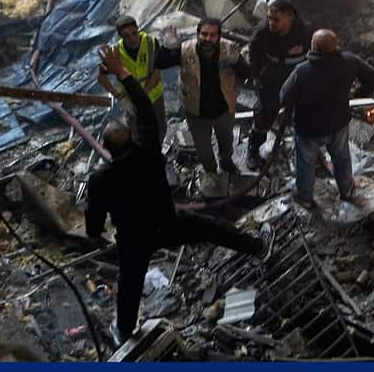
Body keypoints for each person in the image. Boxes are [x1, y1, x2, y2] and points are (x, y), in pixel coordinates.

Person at [86, 46, 271, 345]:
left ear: (106, 149)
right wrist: (123, 73)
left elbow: (93, 226)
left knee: (129, 286)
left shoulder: (99, 180)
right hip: (167, 223)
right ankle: (257, 247)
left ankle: (123, 332)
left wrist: (98, 231)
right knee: (212, 229)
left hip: (134, 239)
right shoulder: (147, 151)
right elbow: (145, 110)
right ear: (131, 139)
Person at [272, 29, 374, 208]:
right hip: (338, 123)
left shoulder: (301, 71)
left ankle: (305, 198)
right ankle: (346, 189)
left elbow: (283, 97)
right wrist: (357, 94)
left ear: (313, 46)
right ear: (336, 45)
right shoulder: (349, 61)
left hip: (308, 129)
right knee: (341, 158)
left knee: (306, 164)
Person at [154, 17, 241, 182]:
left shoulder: (228, 49)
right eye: (204, 34)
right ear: (197, 34)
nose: (208, 39)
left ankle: (226, 162)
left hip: (224, 111)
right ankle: (211, 173)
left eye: (213, 35)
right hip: (197, 114)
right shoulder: (185, 50)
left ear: (219, 36)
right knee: (204, 150)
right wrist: (168, 47)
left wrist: (238, 62)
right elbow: (160, 63)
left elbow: (248, 73)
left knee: (226, 142)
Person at [245, 0, 311, 170]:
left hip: (297, 76)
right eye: (269, 18)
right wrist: (256, 74)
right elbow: (253, 51)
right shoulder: (262, 32)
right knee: (264, 114)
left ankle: (304, 153)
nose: (271, 23)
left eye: (276, 19)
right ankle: (253, 150)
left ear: (289, 17)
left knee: (304, 115)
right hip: (272, 76)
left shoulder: (303, 31)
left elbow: (314, 51)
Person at [96, 15, 167, 147]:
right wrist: (121, 97)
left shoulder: (151, 43)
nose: (132, 39)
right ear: (120, 37)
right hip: (131, 101)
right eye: (126, 36)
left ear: (138, 29)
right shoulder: (115, 52)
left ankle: (157, 153)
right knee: (135, 132)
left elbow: (157, 73)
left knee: (160, 127)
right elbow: (101, 78)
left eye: (134, 33)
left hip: (154, 96)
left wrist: (142, 95)